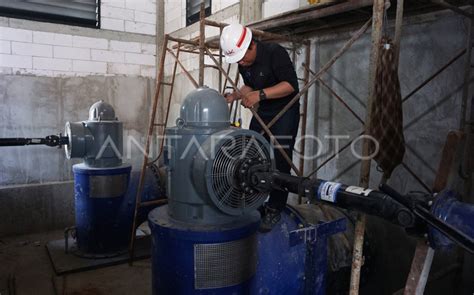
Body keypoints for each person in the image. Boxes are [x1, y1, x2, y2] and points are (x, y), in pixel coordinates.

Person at [220, 23, 300, 232]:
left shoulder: (275, 53)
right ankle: (255, 201)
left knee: (280, 158)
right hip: (263, 111)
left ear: (251, 45)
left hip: (285, 110)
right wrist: (235, 96)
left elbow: (291, 85)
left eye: (242, 58)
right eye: (237, 60)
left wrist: (260, 95)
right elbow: (250, 85)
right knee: (250, 152)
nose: (242, 63)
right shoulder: (243, 62)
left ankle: (275, 208)